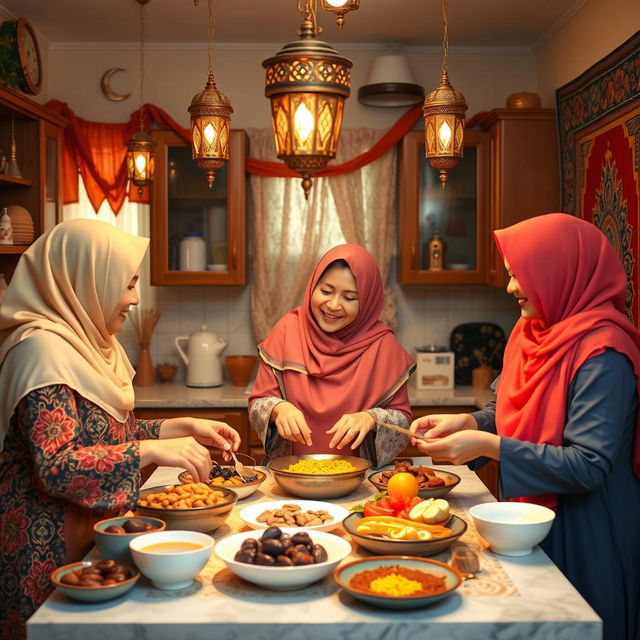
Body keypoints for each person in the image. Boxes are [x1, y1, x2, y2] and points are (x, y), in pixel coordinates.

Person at [0, 219, 241, 639]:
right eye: (126, 284)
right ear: (86, 277)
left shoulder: (89, 342)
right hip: (44, 549)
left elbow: (102, 435)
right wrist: (147, 452)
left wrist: (175, 427)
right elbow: (55, 466)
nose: (134, 298)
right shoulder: (40, 351)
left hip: (88, 538)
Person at [409, 213, 640, 640]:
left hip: (586, 526)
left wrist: (488, 444)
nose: (511, 286)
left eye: (521, 276)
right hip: (529, 513)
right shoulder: (531, 330)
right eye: (512, 275)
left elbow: (588, 465)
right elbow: (507, 407)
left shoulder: (604, 353)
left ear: (559, 273)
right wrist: (469, 420)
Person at [249, 244, 414, 467]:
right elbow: (258, 403)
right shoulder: (287, 330)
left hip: (359, 481)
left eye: (349, 297)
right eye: (326, 291)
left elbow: (403, 422)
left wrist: (372, 418)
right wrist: (278, 409)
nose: (333, 305)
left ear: (367, 301)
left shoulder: (384, 346)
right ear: (312, 287)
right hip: (289, 475)